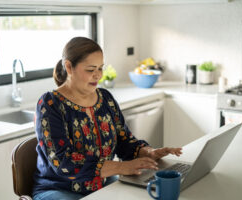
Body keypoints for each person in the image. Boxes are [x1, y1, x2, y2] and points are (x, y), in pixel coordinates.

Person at [32, 37, 182, 200]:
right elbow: (63, 162)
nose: (98, 75)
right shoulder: (50, 104)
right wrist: (122, 167)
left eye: (100, 68)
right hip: (58, 190)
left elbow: (124, 142)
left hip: (102, 185)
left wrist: (148, 152)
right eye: (90, 70)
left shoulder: (105, 98)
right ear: (69, 66)